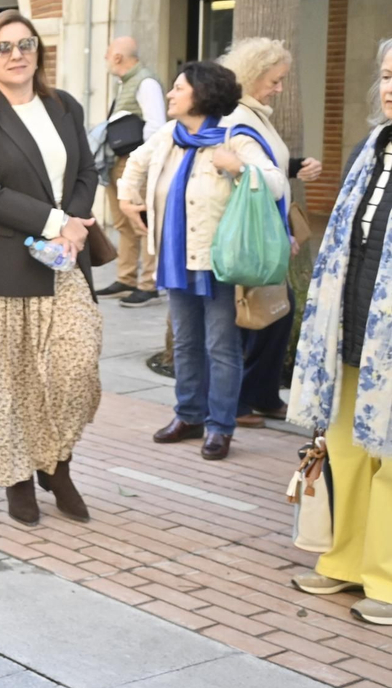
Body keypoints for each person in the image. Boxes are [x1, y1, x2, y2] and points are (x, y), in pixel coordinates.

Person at [0, 10, 102, 525]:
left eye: (26, 44)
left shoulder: (63, 105)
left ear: (38, 52)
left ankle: (56, 463)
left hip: (64, 263)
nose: (17, 55)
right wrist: (59, 221)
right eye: (4, 47)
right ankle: (19, 478)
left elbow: (86, 168)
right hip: (1, 266)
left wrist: (75, 224)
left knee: (73, 371)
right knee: (8, 380)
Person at [118, 61, 286, 461]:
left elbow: (276, 182)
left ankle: (220, 426)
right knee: (187, 343)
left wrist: (240, 168)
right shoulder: (168, 136)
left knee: (221, 347)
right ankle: (189, 415)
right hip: (176, 258)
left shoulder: (235, 137)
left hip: (220, 263)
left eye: (178, 88)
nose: (171, 95)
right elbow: (136, 163)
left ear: (202, 94)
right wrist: (128, 200)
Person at [289, 38, 392, 626]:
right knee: (349, 452)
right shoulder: (368, 150)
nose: (389, 87)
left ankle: (384, 577)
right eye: (385, 75)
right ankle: (345, 560)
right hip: (353, 333)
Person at [221, 38, 324, 427]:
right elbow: (263, 179)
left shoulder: (255, 113)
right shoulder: (240, 120)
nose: (280, 88)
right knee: (261, 314)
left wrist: (294, 167)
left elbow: (270, 165)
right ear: (252, 76)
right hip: (254, 234)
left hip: (263, 228)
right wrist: (285, 179)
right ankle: (244, 399)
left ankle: (259, 396)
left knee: (276, 311)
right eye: (275, 80)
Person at [99, 37, 168, 307]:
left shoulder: (146, 82)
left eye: (107, 54)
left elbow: (156, 126)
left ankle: (148, 284)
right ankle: (126, 279)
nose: (106, 59)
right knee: (123, 224)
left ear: (117, 57)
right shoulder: (127, 82)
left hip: (135, 162)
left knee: (142, 223)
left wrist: (142, 164)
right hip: (118, 161)